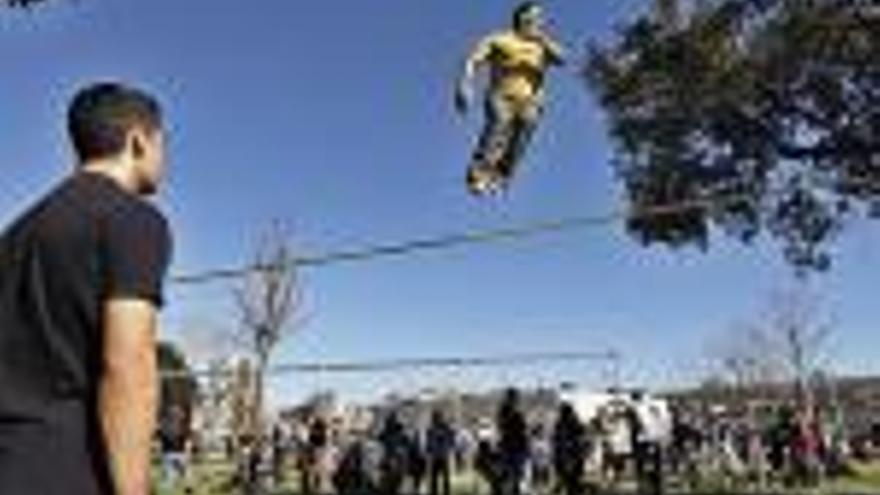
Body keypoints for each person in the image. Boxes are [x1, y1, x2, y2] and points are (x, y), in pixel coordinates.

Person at [0, 82, 172, 495]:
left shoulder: (16, 233)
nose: (165, 158)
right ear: (137, 141)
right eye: (162, 142)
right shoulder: (132, 220)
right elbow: (127, 366)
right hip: (71, 468)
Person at [455, 1, 565, 196]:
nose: (536, 20)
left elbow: (562, 59)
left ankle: (501, 176)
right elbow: (472, 59)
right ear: (520, 17)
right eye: (532, 16)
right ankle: (478, 174)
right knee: (499, 125)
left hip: (530, 101)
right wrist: (464, 84)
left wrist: (541, 39)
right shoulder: (499, 39)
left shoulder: (541, 45)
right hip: (501, 95)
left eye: (539, 18)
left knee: (522, 136)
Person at [496, 388, 529, 495]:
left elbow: (524, 428)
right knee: (507, 475)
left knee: (518, 476)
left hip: (518, 447)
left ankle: (516, 490)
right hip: (509, 447)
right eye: (514, 398)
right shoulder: (505, 411)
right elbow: (501, 426)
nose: (516, 401)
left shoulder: (518, 412)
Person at [552, 403, 587, 495]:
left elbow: (559, 442)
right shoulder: (563, 424)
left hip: (569, 457)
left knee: (571, 482)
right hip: (570, 457)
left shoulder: (565, 424)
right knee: (571, 482)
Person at [426, 410, 455, 495]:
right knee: (434, 479)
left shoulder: (446, 428)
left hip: (443, 456)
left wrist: (448, 447)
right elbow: (429, 444)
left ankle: (446, 492)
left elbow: (451, 440)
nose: (437, 420)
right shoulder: (431, 429)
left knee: (445, 478)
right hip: (436, 456)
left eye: (438, 417)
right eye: (436, 418)